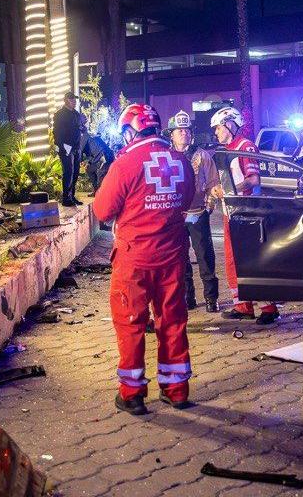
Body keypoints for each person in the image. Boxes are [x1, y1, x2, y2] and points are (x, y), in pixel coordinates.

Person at [92, 103, 196, 415]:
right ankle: (176, 390)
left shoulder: (125, 163)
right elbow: (187, 199)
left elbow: (102, 210)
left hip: (134, 260)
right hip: (173, 256)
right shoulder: (180, 161)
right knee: (174, 321)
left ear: (129, 131)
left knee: (131, 323)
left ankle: (132, 394)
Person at [208, 106, 281, 325]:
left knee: (251, 259)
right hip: (232, 212)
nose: (216, 133)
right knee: (233, 260)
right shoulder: (226, 149)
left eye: (218, 128)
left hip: (246, 212)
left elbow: (253, 179)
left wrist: (229, 191)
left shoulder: (245, 147)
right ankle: (243, 305)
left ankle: (269, 307)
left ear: (230, 125)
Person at [167, 111, 220, 313]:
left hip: (198, 214)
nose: (184, 134)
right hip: (176, 218)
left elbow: (213, 183)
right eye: (180, 131)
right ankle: (188, 298)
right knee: (180, 259)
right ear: (171, 134)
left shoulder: (202, 155)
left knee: (205, 257)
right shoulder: (166, 157)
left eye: (187, 130)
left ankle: (211, 298)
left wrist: (210, 205)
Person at [53, 92, 83, 207]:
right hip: (66, 147)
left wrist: (82, 128)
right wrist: (63, 146)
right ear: (65, 100)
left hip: (76, 147)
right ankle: (66, 198)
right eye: (71, 99)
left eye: (74, 99)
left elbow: (79, 128)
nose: (74, 101)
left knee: (75, 172)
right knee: (68, 173)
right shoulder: (59, 114)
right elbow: (57, 132)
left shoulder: (76, 114)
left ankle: (71, 196)